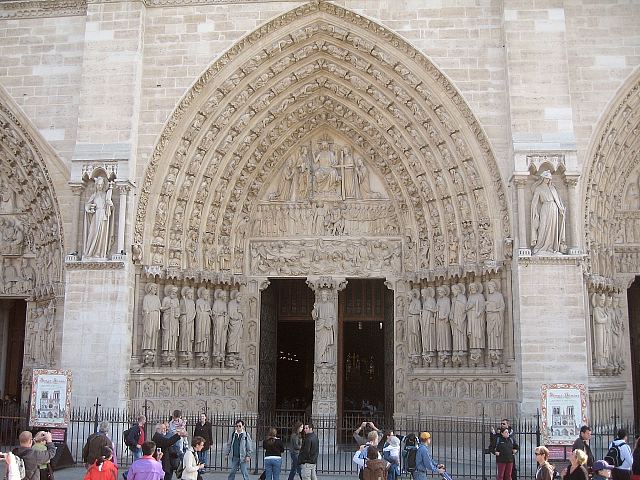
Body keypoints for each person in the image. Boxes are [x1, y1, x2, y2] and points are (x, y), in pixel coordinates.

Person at [530, 170, 566, 254]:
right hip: (545, 208)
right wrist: (534, 212)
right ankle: (540, 246)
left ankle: (550, 247)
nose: (548, 180)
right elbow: (534, 202)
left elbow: (557, 200)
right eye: (546, 178)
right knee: (543, 227)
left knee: (552, 228)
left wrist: (561, 209)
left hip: (554, 208)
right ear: (542, 178)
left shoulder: (552, 188)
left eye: (549, 179)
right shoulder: (538, 188)